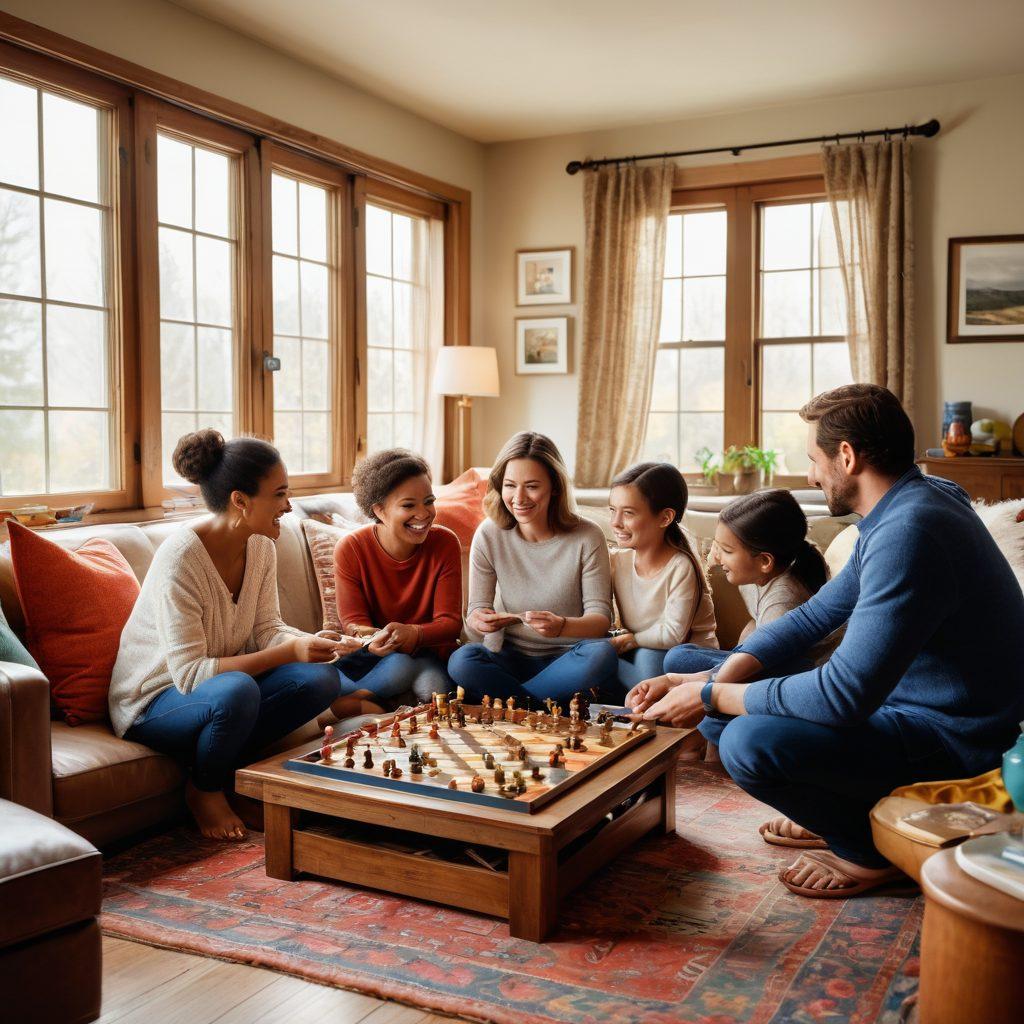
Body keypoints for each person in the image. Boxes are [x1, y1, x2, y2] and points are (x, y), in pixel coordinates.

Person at [631, 384, 1024, 897]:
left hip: (958, 741)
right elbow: (814, 616)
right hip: (913, 712)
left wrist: (709, 695)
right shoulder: (913, 501)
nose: (812, 474)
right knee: (722, 699)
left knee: (746, 742)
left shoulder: (911, 531)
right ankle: (841, 812)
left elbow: (843, 695)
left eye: (814, 459)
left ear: (847, 455)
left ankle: (868, 850)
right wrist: (708, 677)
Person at [109, 430, 342, 841]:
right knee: (236, 690)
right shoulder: (181, 559)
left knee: (321, 678)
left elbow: (266, 628)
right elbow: (191, 674)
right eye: (280, 494)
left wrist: (310, 642)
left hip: (217, 690)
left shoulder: (262, 545)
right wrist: (288, 651)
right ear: (240, 500)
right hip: (154, 701)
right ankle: (204, 790)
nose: (289, 507)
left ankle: (237, 774)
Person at [447, 431, 617, 702]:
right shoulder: (489, 534)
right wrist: (480, 620)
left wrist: (561, 626)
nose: (519, 497)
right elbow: (477, 610)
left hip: (568, 660)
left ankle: (516, 704)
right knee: (461, 660)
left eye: (532, 486)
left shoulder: (588, 536)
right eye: (510, 485)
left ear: (555, 487)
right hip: (510, 658)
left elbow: (599, 621)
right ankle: (540, 704)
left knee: (602, 655)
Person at [330, 449, 461, 708]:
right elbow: (354, 622)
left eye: (429, 501)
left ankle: (360, 702)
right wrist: (377, 639)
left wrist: (413, 633)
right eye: (408, 505)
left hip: (429, 653)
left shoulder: (445, 543)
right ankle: (360, 704)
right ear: (380, 511)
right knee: (398, 666)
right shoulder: (351, 549)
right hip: (376, 656)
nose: (423, 514)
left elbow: (450, 623)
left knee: (433, 690)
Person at [608, 462, 717, 695]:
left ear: (665, 517)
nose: (615, 523)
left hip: (685, 657)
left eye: (628, 513)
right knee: (592, 651)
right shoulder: (617, 560)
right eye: (612, 510)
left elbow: (673, 635)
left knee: (655, 663)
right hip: (639, 650)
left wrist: (631, 640)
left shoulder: (681, 566)